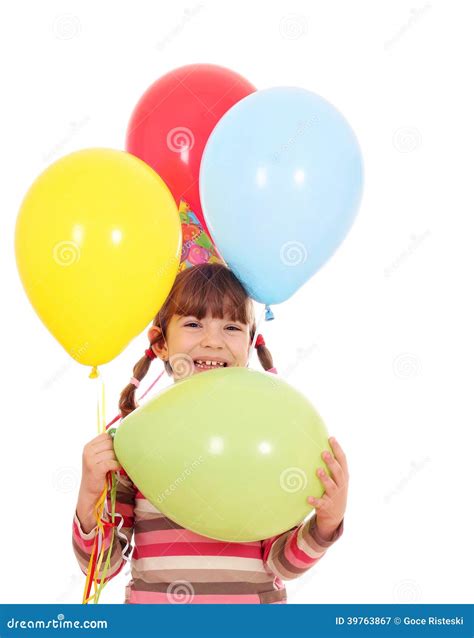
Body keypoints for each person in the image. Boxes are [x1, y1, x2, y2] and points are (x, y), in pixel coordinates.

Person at [72, 263, 349, 604]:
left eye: (231, 326)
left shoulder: (264, 435)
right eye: (193, 323)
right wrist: (89, 496)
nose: (212, 341)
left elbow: (282, 564)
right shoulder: (136, 443)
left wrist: (325, 524)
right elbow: (101, 568)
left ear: (250, 344)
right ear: (160, 344)